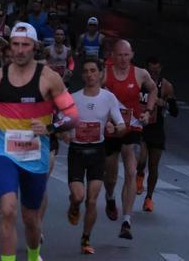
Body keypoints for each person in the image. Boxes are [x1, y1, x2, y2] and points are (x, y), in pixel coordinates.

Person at [0, 22, 79, 261]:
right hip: (5, 150)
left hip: (35, 154)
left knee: (31, 219)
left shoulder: (49, 78)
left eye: (25, 45)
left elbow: (72, 115)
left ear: (34, 47)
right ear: (10, 46)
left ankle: (34, 256)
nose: (20, 50)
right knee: (7, 210)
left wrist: (50, 127)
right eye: (15, 44)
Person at [64, 58, 125, 255]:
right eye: (86, 71)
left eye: (93, 71)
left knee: (92, 200)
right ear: (82, 75)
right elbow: (60, 123)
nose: (89, 74)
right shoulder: (73, 98)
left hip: (97, 152)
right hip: (77, 152)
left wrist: (114, 128)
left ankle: (86, 238)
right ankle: (74, 204)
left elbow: (122, 125)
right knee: (79, 196)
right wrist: (63, 133)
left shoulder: (108, 98)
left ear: (100, 74)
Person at [101, 39, 156, 240]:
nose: (123, 59)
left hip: (132, 126)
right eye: (119, 55)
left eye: (126, 55)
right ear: (113, 56)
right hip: (110, 129)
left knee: (131, 170)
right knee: (111, 175)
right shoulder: (105, 74)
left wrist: (148, 111)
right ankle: (110, 197)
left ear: (131, 55)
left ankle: (126, 221)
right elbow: (92, 92)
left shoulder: (140, 73)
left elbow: (153, 89)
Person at [135, 56, 178, 213]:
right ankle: (139, 174)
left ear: (160, 69)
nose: (153, 74)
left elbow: (175, 111)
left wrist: (164, 103)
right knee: (141, 159)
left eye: (156, 71)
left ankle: (149, 198)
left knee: (153, 166)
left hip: (156, 129)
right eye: (150, 71)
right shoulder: (139, 82)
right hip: (140, 126)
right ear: (146, 69)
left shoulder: (166, 86)